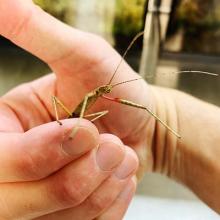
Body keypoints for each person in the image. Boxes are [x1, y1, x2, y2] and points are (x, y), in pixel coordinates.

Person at [0, 0, 219, 219]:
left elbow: (126, 106)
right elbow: (84, 107)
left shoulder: (105, 96)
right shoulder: (88, 98)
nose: (106, 90)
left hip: (78, 124)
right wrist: (75, 127)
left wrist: (155, 125)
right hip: (70, 117)